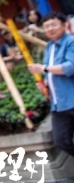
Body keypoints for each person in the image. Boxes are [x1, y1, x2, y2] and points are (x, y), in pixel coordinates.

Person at [28, 11, 74, 157]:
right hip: (58, 104)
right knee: (61, 141)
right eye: (46, 26)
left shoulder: (71, 42)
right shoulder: (49, 47)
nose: (50, 29)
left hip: (71, 98)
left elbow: (70, 67)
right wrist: (45, 85)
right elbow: (50, 72)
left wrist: (43, 68)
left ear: (64, 25)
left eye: (54, 25)